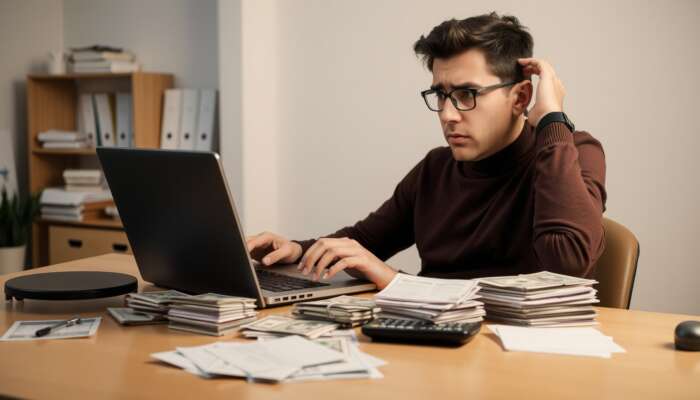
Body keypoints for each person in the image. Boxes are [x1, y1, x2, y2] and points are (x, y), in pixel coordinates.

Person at [246, 12, 606, 289]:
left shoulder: (573, 151)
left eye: (467, 94)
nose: (448, 115)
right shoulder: (436, 167)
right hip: (436, 350)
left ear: (521, 97)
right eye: (440, 95)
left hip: (523, 362)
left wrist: (552, 120)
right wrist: (297, 249)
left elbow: (567, 263)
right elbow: (366, 241)